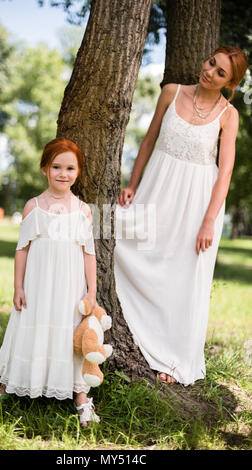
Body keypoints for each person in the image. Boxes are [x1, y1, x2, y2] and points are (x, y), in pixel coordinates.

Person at [115, 46, 248, 386]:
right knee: (121, 241)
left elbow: (226, 171)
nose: (210, 73)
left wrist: (209, 220)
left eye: (221, 73)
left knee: (182, 277)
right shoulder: (171, 91)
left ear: (230, 83)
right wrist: (132, 184)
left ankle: (171, 359)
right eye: (211, 63)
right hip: (157, 189)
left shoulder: (228, 115)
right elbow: (148, 140)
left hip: (197, 204)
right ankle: (128, 331)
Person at [0, 137, 99, 426]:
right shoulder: (34, 207)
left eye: (70, 168)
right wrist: (18, 287)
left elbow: (89, 254)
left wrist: (91, 291)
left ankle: (80, 396)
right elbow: (22, 249)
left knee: (70, 335)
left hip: (70, 288)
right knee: (28, 328)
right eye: (56, 166)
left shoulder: (83, 211)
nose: (63, 173)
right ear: (45, 168)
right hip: (37, 286)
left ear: (78, 172)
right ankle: (8, 386)